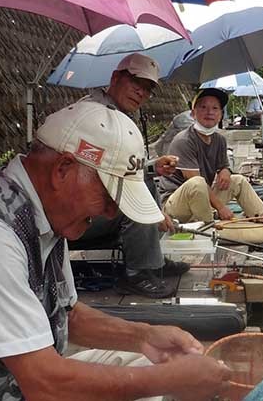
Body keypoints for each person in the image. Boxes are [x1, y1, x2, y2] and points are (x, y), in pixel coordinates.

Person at [0, 101, 230, 401]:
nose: (110, 214)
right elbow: (44, 383)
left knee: (150, 365)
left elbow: (68, 316)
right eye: (108, 197)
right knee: (157, 383)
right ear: (62, 169)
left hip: (7, 387)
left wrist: (145, 336)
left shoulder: (45, 215)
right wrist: (171, 380)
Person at [74, 53, 189, 299]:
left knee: (145, 177)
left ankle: (152, 260)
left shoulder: (117, 113)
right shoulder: (94, 116)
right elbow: (95, 174)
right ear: (116, 78)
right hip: (76, 216)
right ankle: (137, 273)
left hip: (96, 203)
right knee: (137, 199)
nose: (141, 93)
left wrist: (151, 166)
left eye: (147, 90)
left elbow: (119, 167)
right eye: (136, 84)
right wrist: (154, 213)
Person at [159, 88, 263, 224]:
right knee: (198, 183)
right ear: (193, 113)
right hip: (176, 205)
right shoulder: (184, 141)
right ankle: (209, 228)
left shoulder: (219, 139)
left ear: (221, 115)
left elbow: (223, 166)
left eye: (215, 108)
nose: (209, 112)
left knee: (238, 180)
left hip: (202, 199)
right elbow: (195, 181)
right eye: (203, 107)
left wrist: (225, 171)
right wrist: (221, 207)